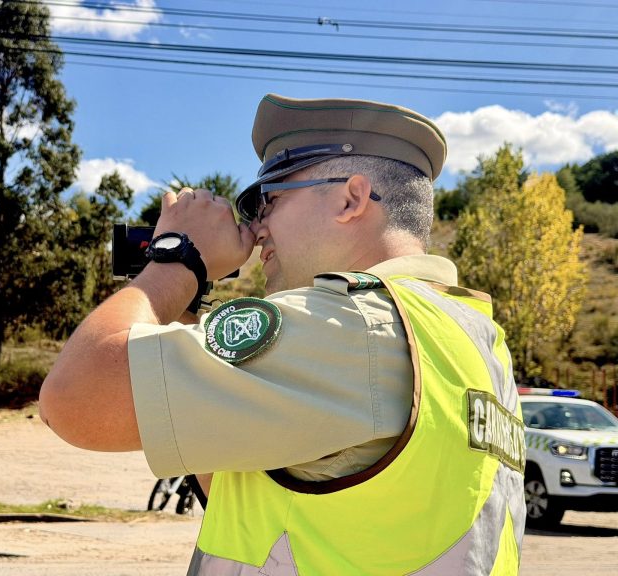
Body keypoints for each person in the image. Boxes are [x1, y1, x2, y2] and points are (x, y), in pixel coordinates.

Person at [39, 93, 526, 575]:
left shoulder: (353, 324)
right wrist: (189, 310)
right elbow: (238, 488)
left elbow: (74, 400)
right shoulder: (473, 339)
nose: (258, 228)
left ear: (351, 198)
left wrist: (176, 258)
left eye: (267, 201)